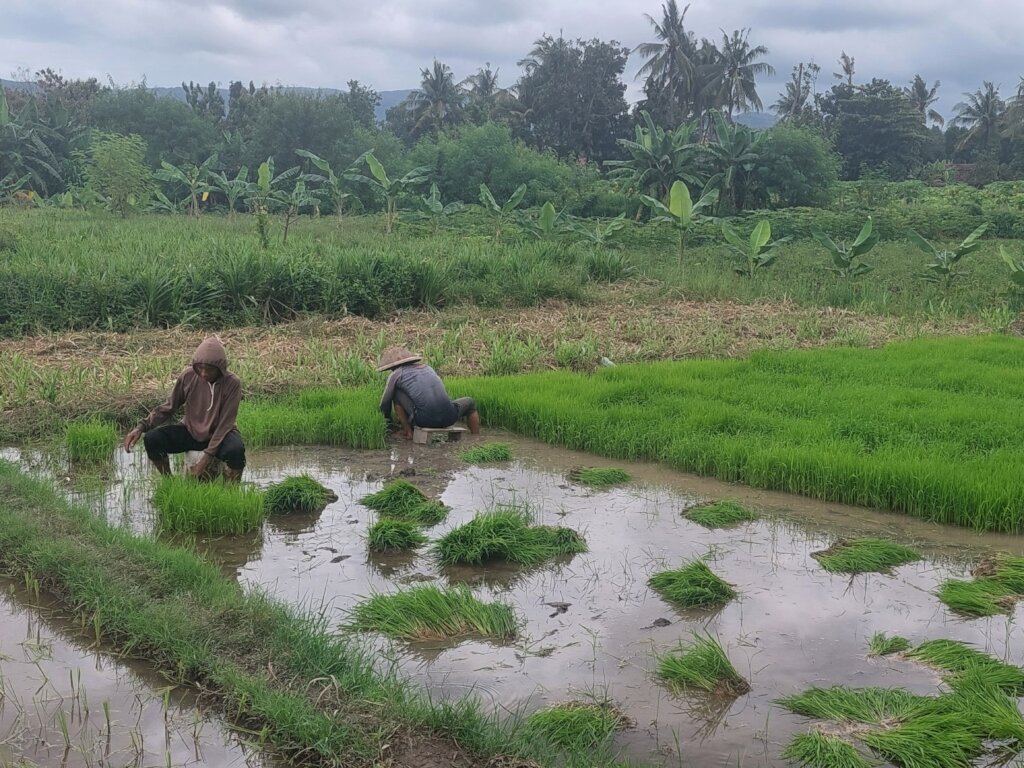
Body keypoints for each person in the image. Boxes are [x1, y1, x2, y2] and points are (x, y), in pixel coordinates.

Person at [123, 337, 246, 481]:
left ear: (220, 369)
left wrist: (205, 459)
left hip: (220, 435)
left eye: (210, 370)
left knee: (236, 451)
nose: (204, 373)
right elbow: (169, 406)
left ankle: (231, 490)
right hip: (191, 431)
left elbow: (225, 424)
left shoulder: (232, 383)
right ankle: (169, 482)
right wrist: (141, 427)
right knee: (152, 439)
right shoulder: (188, 376)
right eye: (200, 368)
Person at [377, 346, 480, 439]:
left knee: (396, 394)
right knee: (470, 402)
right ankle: (476, 437)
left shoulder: (396, 374)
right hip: (450, 417)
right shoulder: (428, 368)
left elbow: (385, 403)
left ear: (392, 367)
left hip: (424, 420)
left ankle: (408, 432)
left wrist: (388, 422)